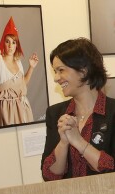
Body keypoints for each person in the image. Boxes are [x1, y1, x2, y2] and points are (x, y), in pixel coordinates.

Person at [41, 37, 115, 181]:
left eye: (61, 70)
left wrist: (78, 141)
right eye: (55, 71)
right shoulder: (55, 113)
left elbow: (111, 168)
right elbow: (49, 175)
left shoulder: (112, 111)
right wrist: (63, 142)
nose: (56, 78)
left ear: (83, 71)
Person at [0, 16, 39, 126]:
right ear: (3, 43)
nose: (10, 46)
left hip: (23, 106)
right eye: (7, 42)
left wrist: (31, 67)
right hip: (7, 109)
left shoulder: (18, 62)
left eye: (14, 42)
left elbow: (22, 83)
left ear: (17, 45)